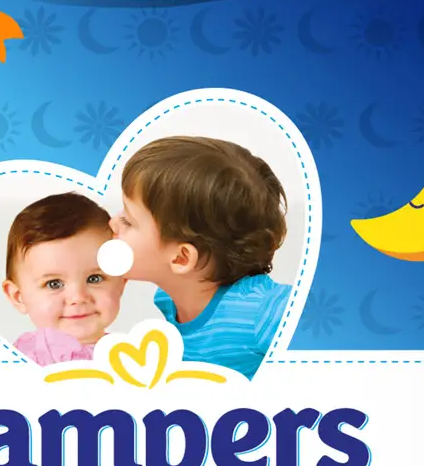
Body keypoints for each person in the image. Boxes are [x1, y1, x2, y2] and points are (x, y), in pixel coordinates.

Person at [108, 135, 290, 377]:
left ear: (181, 258)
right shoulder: (167, 298)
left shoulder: (265, 311)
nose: (113, 222)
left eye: (128, 221)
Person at [2, 192, 126, 365]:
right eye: (54, 284)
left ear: (122, 282)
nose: (78, 297)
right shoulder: (22, 361)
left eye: (94, 279)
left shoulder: (131, 356)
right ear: (18, 297)